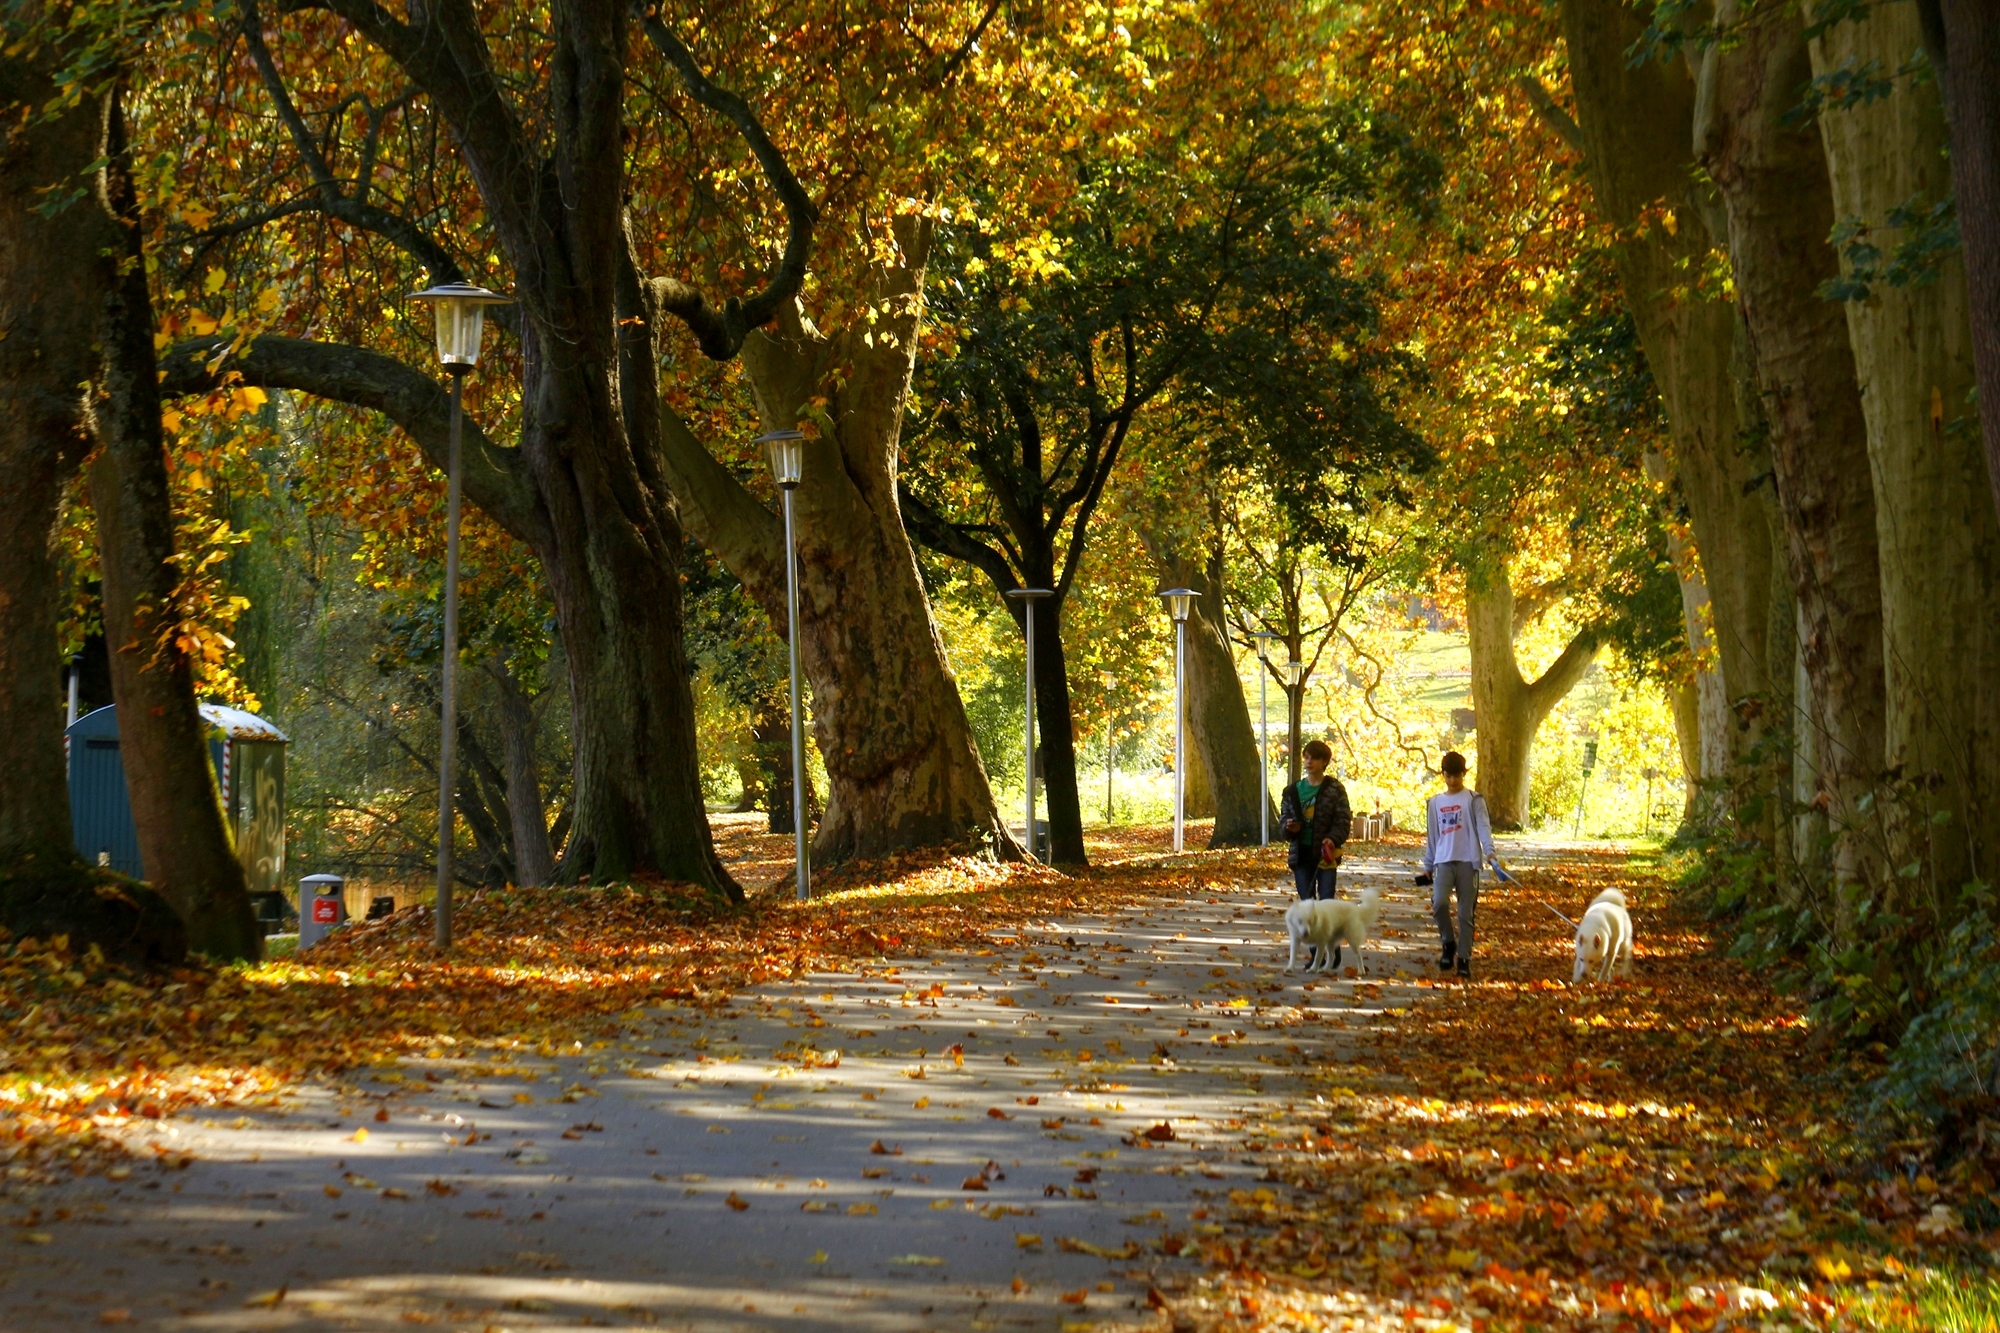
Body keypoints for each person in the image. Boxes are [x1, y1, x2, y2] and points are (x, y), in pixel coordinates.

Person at [1416, 750, 1493, 978]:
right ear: (1443, 775)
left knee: (1465, 913)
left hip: (1468, 861)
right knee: (1439, 903)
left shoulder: (1473, 799)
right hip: (1443, 861)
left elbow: (1483, 827)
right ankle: (1448, 942)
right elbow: (1432, 836)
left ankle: (1464, 958)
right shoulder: (1435, 803)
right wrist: (1428, 865)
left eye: (1457, 776)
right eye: (1449, 776)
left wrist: (1490, 852)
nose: (1453, 780)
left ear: (1463, 774)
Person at [1277, 739, 1350, 900]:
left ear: (1324, 761)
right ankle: (1310, 927)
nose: (1309, 762)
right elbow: (1283, 821)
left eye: (1314, 758)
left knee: (1326, 902)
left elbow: (1343, 821)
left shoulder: (1335, 789)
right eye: (1306, 757)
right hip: (1301, 855)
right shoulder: (1292, 791)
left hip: (1325, 854)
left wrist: (1332, 838)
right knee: (1307, 904)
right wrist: (1288, 827)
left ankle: (1325, 927)